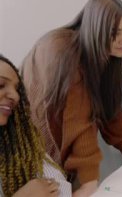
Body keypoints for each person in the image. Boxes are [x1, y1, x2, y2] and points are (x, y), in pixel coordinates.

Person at [20, 0, 122, 196]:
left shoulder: (105, 54)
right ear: (97, 29)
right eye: (115, 32)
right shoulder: (62, 49)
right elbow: (80, 119)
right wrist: (89, 181)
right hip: (33, 143)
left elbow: (109, 107)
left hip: (58, 144)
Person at [0, 54, 71, 197]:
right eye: (1, 85)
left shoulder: (18, 144)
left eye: (17, 88)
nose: (15, 96)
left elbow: (60, 187)